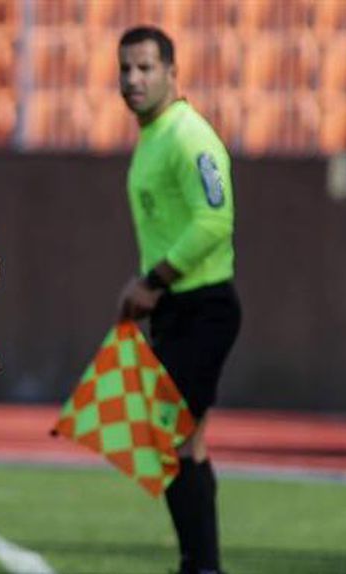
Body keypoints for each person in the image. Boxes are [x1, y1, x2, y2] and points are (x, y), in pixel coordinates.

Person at [116, 27, 242, 574]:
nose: (133, 79)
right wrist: (147, 286)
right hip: (176, 307)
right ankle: (200, 564)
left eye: (145, 68)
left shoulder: (189, 136)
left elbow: (214, 220)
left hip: (203, 307)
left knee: (168, 437)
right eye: (125, 68)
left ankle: (201, 566)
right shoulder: (154, 136)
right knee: (182, 443)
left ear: (171, 72)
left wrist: (153, 280)